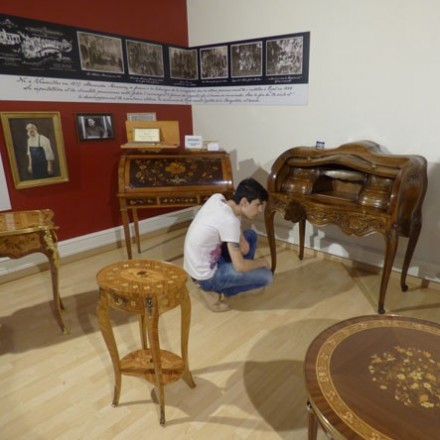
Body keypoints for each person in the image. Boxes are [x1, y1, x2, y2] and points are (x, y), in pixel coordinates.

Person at [184, 177, 273, 312]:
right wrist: (262, 263)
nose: (260, 209)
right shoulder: (229, 221)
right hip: (204, 276)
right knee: (266, 276)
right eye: (258, 204)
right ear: (243, 202)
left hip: (197, 262)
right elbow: (240, 266)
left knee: (251, 236)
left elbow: (233, 223)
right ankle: (222, 289)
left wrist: (241, 238)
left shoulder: (218, 198)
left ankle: (234, 279)